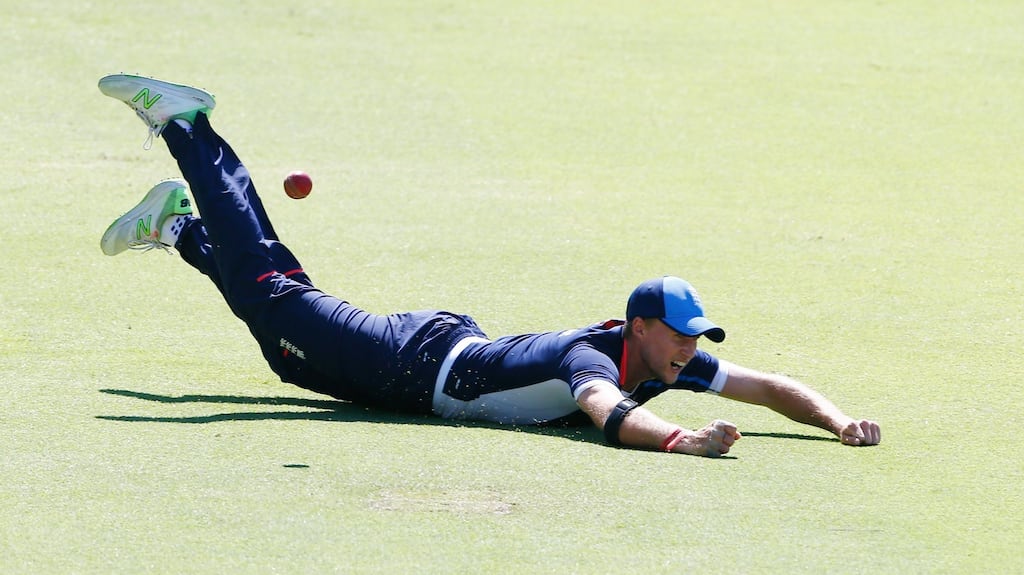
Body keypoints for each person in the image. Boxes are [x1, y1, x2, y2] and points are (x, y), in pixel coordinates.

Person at [97, 74, 881, 458]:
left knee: (280, 343)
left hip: (426, 367)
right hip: (407, 361)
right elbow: (613, 417)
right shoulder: (595, 358)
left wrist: (839, 420)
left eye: (693, 337)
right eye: (679, 335)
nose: (690, 348)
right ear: (640, 327)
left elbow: (767, 385)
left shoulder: (668, 361)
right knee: (272, 293)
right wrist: (685, 443)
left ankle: (182, 229)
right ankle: (188, 126)